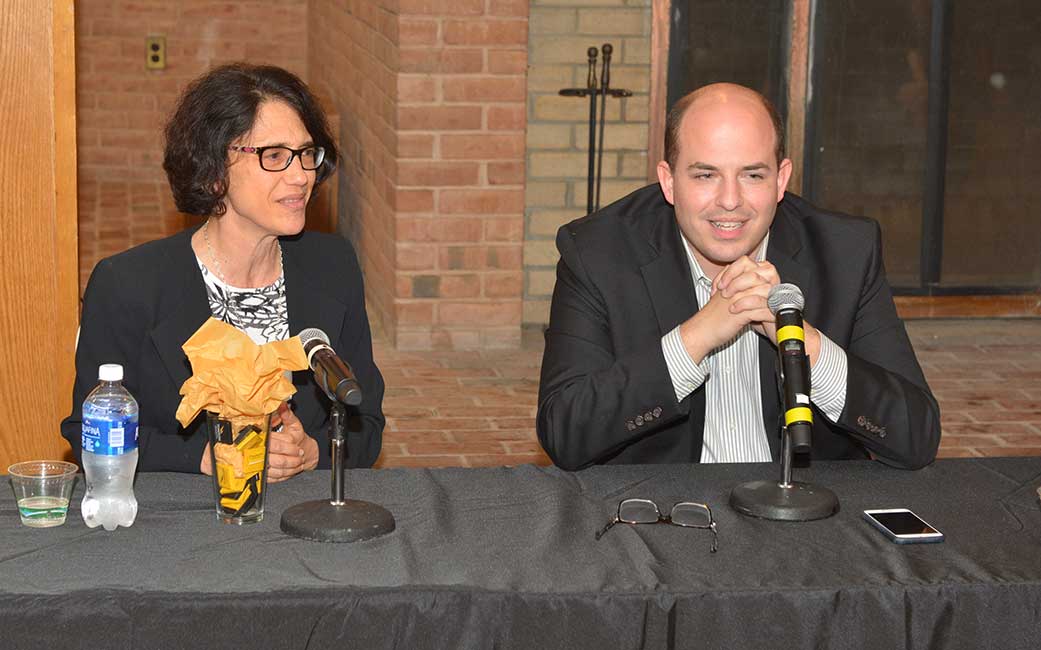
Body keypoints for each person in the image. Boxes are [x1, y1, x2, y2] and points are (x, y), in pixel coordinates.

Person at [537, 83, 940, 471]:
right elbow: (565, 433)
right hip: (665, 516)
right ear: (669, 180)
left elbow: (916, 438)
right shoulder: (597, 252)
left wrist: (802, 340)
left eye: (752, 175)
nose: (730, 201)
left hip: (805, 517)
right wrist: (695, 337)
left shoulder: (845, 251)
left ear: (781, 179)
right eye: (705, 175)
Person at [61, 63, 384, 480]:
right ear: (214, 172)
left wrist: (313, 452)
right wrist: (203, 457)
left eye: (305, 154)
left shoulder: (333, 266)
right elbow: (86, 430)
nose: (301, 175)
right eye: (274, 156)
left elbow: (367, 424)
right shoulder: (127, 284)